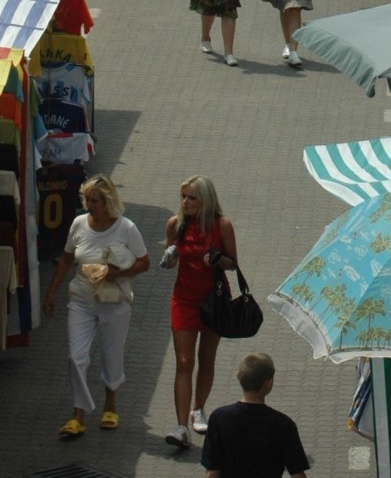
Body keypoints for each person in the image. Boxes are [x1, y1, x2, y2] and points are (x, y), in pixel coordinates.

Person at [42, 173, 150, 437]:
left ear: (108, 201)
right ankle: (78, 413)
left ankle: (110, 405)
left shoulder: (126, 228)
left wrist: (118, 274)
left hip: (114, 301)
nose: (90, 206)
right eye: (88, 200)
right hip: (81, 298)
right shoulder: (79, 224)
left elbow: (144, 262)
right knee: (75, 357)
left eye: (96, 201)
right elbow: (67, 260)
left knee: (111, 355)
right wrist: (52, 291)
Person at [163, 176, 238, 447]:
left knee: (206, 358)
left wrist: (218, 258)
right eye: (183, 196)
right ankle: (181, 426)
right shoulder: (176, 224)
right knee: (184, 362)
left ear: (205, 200)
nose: (186, 202)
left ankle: (199, 408)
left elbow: (233, 263)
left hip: (213, 300)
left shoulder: (222, 225)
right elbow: (171, 256)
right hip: (183, 299)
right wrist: (170, 258)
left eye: (191, 197)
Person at [201, 353, 309, 478]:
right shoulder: (283, 424)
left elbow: (212, 471)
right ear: (268, 384)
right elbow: (297, 473)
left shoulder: (219, 418)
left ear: (238, 376)